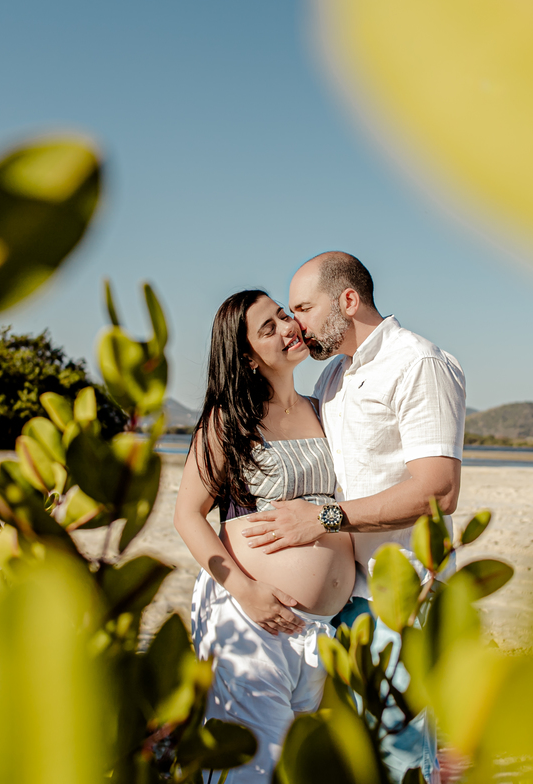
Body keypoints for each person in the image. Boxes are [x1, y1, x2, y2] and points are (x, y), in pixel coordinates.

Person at [239, 252, 466, 784]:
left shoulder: (419, 364)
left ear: (347, 301)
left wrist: (322, 520)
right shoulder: (336, 376)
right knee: (355, 759)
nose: (295, 324)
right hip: (344, 604)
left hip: (403, 595)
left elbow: (439, 489)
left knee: (403, 756)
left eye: (302, 308)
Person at [173, 289, 356, 783]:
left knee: (295, 767)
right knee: (254, 768)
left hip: (316, 627)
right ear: (248, 357)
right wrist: (247, 592)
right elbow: (188, 516)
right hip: (249, 613)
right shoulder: (229, 421)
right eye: (268, 328)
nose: (286, 327)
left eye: (283, 315)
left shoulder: (324, 410)